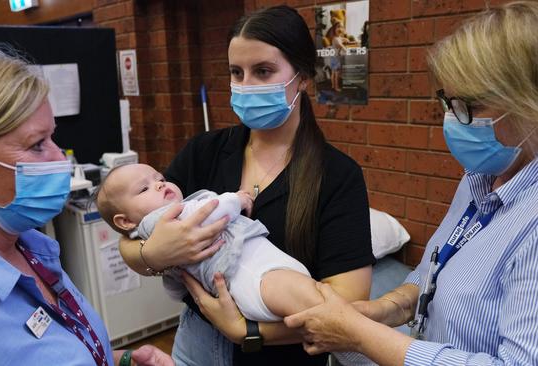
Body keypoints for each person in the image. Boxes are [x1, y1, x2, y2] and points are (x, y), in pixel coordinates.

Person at [284, 2, 538, 365]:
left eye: (470, 106)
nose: (453, 121)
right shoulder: (492, 169)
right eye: (448, 102)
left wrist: (360, 336)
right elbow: (436, 269)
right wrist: (383, 310)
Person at [118, 5, 375, 366]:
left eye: (263, 71)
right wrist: (153, 254)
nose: (245, 85)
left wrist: (248, 332)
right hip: (195, 341)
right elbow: (132, 235)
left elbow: (348, 303)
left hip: (283, 352)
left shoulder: (336, 175)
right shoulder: (204, 152)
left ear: (302, 76)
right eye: (236, 72)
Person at [0, 45, 174, 366]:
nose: (60, 158)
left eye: (52, 138)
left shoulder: (27, 247)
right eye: (36, 145)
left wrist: (117, 360)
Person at [97, 163, 374, 366]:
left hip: (257, 285)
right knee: (329, 314)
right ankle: (371, 352)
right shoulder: (165, 219)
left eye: (160, 178)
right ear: (125, 222)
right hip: (256, 278)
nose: (159, 184)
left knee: (325, 312)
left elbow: (174, 286)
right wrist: (237, 199)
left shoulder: (338, 174)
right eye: (144, 188)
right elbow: (213, 210)